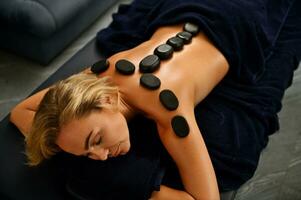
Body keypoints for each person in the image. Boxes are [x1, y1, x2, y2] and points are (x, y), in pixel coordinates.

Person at [9, 0, 301, 199]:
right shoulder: (103, 76)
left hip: (236, 19)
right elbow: (20, 112)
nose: (100, 158)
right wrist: (70, 142)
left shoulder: (166, 106)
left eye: (95, 140)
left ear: (107, 102)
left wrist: (149, 189)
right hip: (182, 11)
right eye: (87, 154)